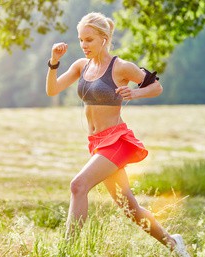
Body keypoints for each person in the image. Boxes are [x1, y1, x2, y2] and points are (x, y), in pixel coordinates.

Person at [45, 12, 190, 257]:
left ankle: (67, 252)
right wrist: (54, 61)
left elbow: (156, 86)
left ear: (104, 38)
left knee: (78, 186)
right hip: (97, 144)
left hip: (117, 140)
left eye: (89, 40)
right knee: (129, 207)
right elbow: (52, 90)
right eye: (81, 40)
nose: (84, 45)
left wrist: (135, 93)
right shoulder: (82, 65)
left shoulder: (121, 67)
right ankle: (174, 244)